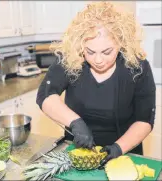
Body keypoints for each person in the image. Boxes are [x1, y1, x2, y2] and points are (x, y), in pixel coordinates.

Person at [36, 1, 156, 167]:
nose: (98, 60)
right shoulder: (71, 58)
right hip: (76, 152)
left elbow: (144, 120)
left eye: (107, 52)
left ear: (121, 43)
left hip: (124, 152)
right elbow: (46, 95)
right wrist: (74, 122)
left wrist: (118, 148)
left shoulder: (138, 67)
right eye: (90, 52)